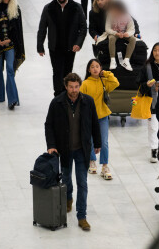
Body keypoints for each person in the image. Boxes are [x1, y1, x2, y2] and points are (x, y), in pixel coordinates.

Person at [45, 73, 101, 231]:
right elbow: (49, 125)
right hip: (65, 150)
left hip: (82, 150)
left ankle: (82, 216)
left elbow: (94, 123)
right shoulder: (57, 103)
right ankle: (68, 197)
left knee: (82, 184)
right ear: (66, 86)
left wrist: (97, 142)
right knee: (66, 179)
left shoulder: (88, 102)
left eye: (76, 87)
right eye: (71, 87)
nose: (74, 90)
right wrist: (51, 145)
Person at [37, 0, 87, 97]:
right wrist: (40, 46)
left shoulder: (76, 7)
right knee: (57, 72)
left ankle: (67, 94)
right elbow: (42, 28)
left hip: (70, 47)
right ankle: (58, 95)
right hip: (55, 47)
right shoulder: (49, 8)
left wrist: (78, 43)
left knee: (68, 72)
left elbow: (83, 27)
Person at [80, 59, 119, 179]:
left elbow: (116, 83)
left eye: (97, 66)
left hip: (102, 116)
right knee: (91, 141)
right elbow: (81, 101)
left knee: (104, 142)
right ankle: (92, 161)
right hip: (89, 117)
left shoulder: (104, 81)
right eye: (92, 67)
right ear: (88, 70)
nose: (95, 69)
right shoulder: (85, 83)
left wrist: (106, 73)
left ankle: (104, 166)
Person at [137, 43, 159, 163]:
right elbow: (139, 83)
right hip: (150, 100)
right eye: (155, 50)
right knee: (152, 127)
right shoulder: (146, 66)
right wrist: (147, 85)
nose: (157, 53)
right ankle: (153, 149)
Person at [104, 0, 136, 71]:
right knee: (111, 39)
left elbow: (132, 28)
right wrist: (115, 33)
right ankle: (112, 60)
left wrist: (128, 33)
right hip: (114, 33)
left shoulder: (127, 16)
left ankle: (126, 60)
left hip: (125, 34)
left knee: (133, 39)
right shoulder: (110, 15)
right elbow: (107, 28)